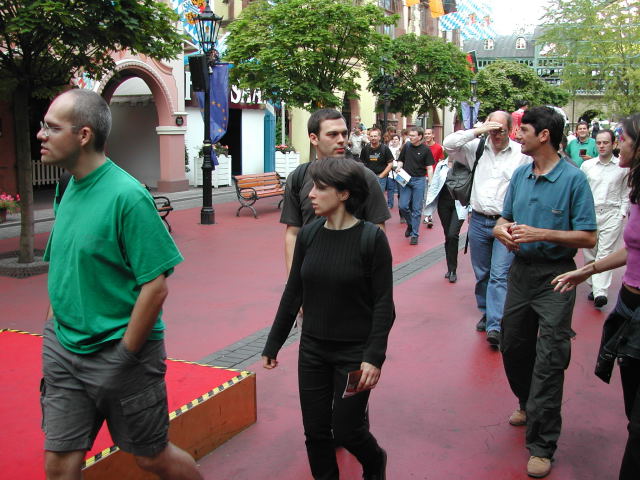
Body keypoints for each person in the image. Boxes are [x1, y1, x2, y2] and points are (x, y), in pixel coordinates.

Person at [38, 89, 201, 479]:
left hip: (122, 354)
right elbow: (64, 263)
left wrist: (124, 355)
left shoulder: (128, 196)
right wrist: (51, 328)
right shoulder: (67, 187)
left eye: (52, 127)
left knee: (151, 457)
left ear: (83, 135)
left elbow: (156, 286)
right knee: (59, 465)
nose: (41, 134)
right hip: (64, 350)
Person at [262, 157, 394, 480]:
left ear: (344, 194)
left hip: (354, 355)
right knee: (316, 432)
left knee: (347, 430)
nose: (311, 194)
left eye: (320, 188)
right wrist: (273, 344)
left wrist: (373, 357)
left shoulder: (371, 239)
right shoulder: (308, 235)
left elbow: (384, 305)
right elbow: (294, 293)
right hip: (312, 352)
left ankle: (375, 460)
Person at [493, 106, 596, 479]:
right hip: (521, 274)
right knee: (512, 346)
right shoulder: (521, 175)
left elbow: (588, 237)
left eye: (523, 130)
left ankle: (542, 445)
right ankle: (527, 402)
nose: (517, 135)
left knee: (550, 359)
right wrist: (500, 230)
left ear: (544, 135)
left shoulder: (574, 180)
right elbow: (503, 219)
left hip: (557, 277)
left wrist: (542, 234)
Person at [552, 113, 640, 480]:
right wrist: (586, 271)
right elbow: (631, 251)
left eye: (624, 139)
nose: (618, 146)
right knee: (632, 413)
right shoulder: (634, 186)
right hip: (629, 307)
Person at [443, 111, 531, 348]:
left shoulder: (521, 155)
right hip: (479, 221)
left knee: (499, 274)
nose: (496, 134)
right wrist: (479, 130)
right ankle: (486, 311)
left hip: (506, 223)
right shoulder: (477, 148)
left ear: (510, 129)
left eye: (501, 129)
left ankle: (496, 325)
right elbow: (449, 144)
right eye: (493, 129)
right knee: (482, 273)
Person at [280, 109, 391, 273]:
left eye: (344, 134)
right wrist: (293, 279)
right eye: (332, 134)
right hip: (310, 275)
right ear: (314, 138)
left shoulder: (365, 177)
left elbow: (378, 229)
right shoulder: (299, 177)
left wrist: (374, 279)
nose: (341, 140)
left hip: (352, 276)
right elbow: (293, 233)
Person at [580, 129, 630, 308]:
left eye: (605, 142)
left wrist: (621, 213)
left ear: (613, 143)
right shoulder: (587, 166)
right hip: (590, 213)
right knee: (590, 252)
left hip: (612, 213)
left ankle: (600, 291)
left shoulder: (622, 168)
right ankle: (594, 285)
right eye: (599, 143)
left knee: (605, 252)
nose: (602, 146)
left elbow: (626, 192)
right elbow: (581, 191)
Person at [423, 156, 468, 283]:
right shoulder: (441, 165)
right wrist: (428, 207)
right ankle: (450, 267)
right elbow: (434, 185)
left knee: (453, 234)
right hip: (443, 204)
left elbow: (470, 185)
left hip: (460, 204)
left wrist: (470, 208)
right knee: (448, 235)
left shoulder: (465, 163)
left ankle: (453, 269)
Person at [397, 127, 434, 245]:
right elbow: (401, 160)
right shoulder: (407, 146)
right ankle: (411, 224)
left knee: (417, 209)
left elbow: (429, 167)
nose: (410, 137)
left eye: (413, 135)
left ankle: (414, 234)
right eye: (410, 135)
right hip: (405, 179)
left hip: (419, 180)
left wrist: (431, 183)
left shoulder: (426, 150)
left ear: (420, 137)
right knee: (403, 206)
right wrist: (399, 167)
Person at [360, 127, 394, 192]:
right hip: (368, 177)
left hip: (381, 178)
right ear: (369, 137)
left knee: (379, 197)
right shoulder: (365, 149)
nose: (373, 138)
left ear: (379, 137)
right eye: (371, 136)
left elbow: (390, 164)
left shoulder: (385, 148)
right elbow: (362, 164)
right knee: (368, 196)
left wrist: (381, 176)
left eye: (375, 136)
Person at [423, 128, 445, 228]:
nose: (427, 135)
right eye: (425, 134)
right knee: (424, 197)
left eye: (429, 134)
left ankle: (429, 216)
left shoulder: (438, 147)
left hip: (434, 175)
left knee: (429, 196)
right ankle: (427, 215)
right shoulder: (422, 146)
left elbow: (441, 161)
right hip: (422, 175)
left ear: (433, 135)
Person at [386, 134, 402, 209]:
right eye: (393, 139)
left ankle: (401, 203)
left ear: (399, 140)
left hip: (400, 172)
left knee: (401, 190)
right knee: (390, 189)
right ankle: (390, 204)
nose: (394, 141)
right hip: (390, 172)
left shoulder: (402, 149)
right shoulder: (388, 149)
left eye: (396, 139)